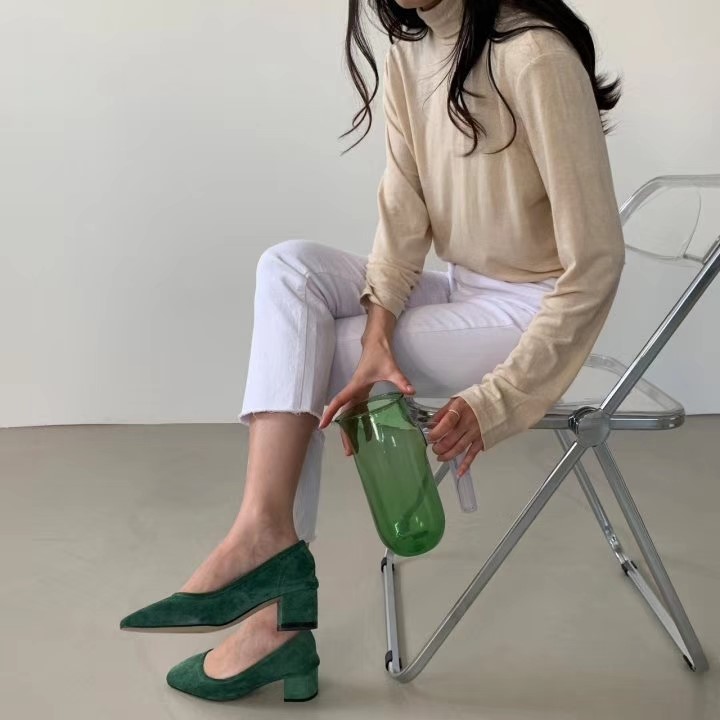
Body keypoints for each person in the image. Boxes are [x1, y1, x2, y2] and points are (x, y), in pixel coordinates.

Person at [120, 0, 626, 703]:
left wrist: (500, 398)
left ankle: (274, 619)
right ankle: (263, 533)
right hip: (464, 287)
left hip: (532, 310)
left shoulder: (534, 57)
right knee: (288, 268)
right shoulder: (412, 53)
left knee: (323, 349)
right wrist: (379, 335)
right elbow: (403, 215)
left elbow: (595, 264)